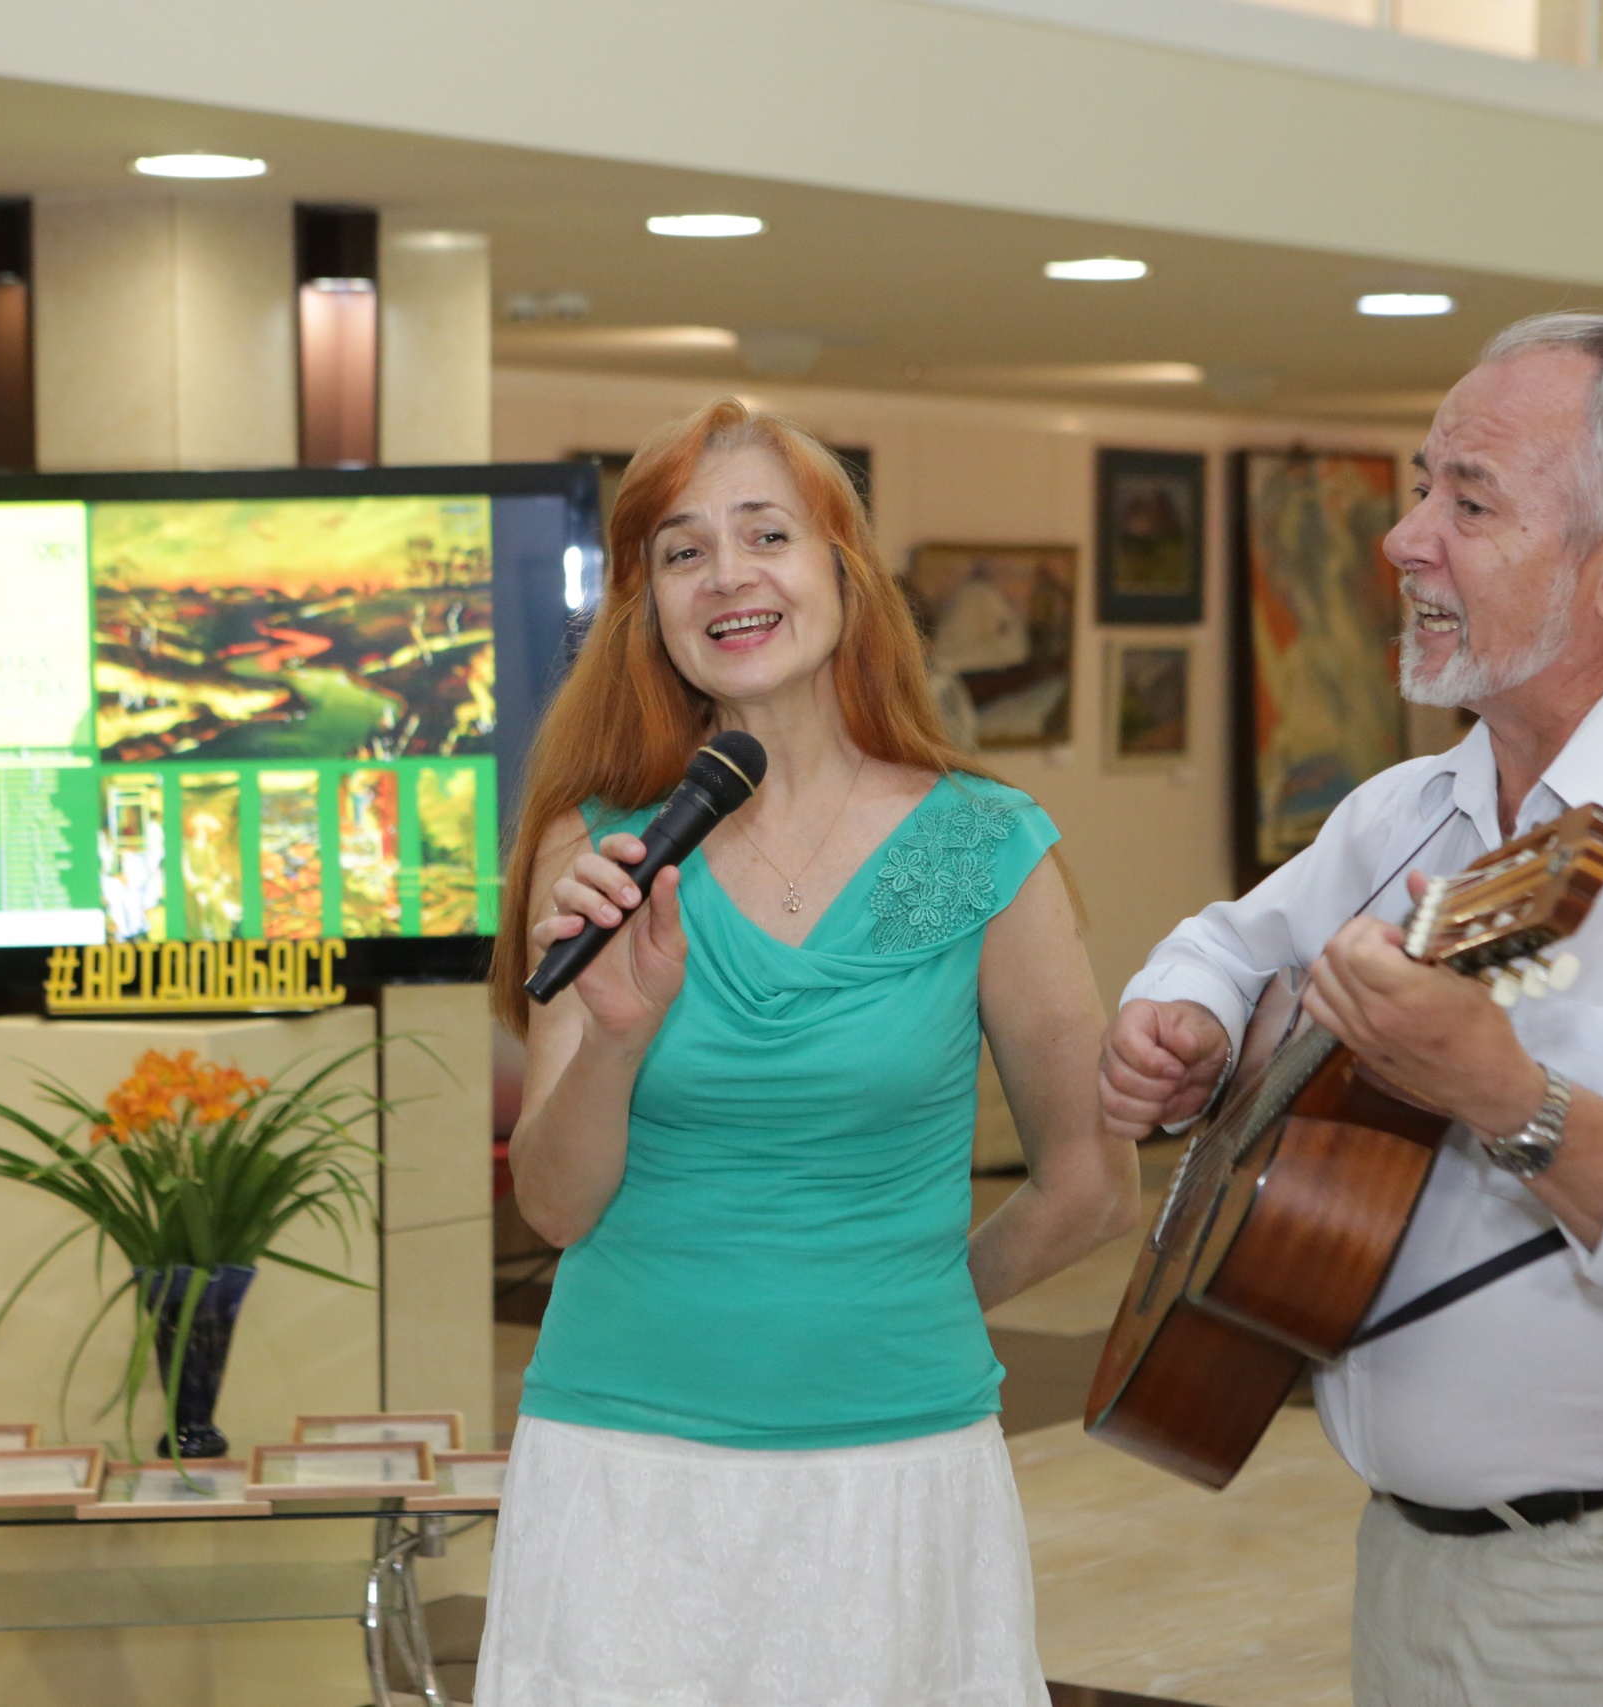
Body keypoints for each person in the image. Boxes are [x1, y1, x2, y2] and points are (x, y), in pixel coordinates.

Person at [1103, 314, 1603, 1702]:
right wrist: (1179, 1026)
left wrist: (1509, 1096)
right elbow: (1225, 944)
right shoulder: (1411, 809)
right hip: (1413, 1571)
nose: (1404, 538)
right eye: (1423, 486)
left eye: (1466, 501)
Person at [478, 398, 1137, 1707]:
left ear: (842, 568)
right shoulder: (601, 846)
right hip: (624, 1472)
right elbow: (554, 1204)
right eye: (681, 551)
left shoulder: (987, 844)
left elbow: (1092, 1185)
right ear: (647, 606)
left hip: (898, 1475)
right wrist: (615, 1037)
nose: (729, 576)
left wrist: (901, 1302)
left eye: (766, 534)